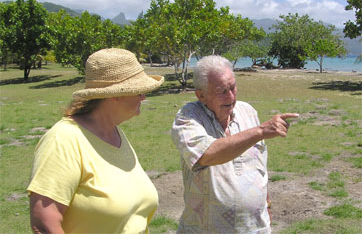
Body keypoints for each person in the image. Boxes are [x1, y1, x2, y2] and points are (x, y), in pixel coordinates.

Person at [27, 48, 164, 233]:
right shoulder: (64, 140)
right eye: (139, 91)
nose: (144, 96)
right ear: (115, 94)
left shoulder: (115, 134)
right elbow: (44, 223)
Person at [171, 55, 299, 233]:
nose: (231, 96)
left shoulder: (248, 111)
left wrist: (267, 205)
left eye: (233, 87)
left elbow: (259, 166)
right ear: (201, 95)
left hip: (256, 228)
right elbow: (207, 154)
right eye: (222, 91)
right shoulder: (188, 117)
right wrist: (260, 131)